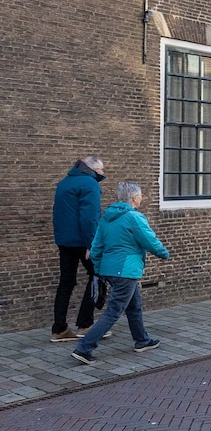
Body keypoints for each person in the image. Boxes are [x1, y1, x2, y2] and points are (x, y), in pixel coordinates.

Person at [72, 182, 169, 365]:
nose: (141, 199)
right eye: (140, 196)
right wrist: (163, 253)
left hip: (111, 270)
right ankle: (84, 347)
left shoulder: (107, 217)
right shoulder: (134, 217)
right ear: (134, 198)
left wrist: (100, 268)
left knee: (134, 306)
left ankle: (142, 340)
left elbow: (96, 247)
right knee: (113, 312)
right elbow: (149, 240)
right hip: (126, 270)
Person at [51, 155, 107, 342]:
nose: (103, 174)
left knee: (66, 283)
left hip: (64, 242)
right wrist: (92, 245)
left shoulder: (64, 183)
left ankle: (59, 329)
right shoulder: (90, 185)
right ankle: (85, 324)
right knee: (97, 276)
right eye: (101, 170)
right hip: (83, 242)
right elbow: (89, 218)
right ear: (92, 169)